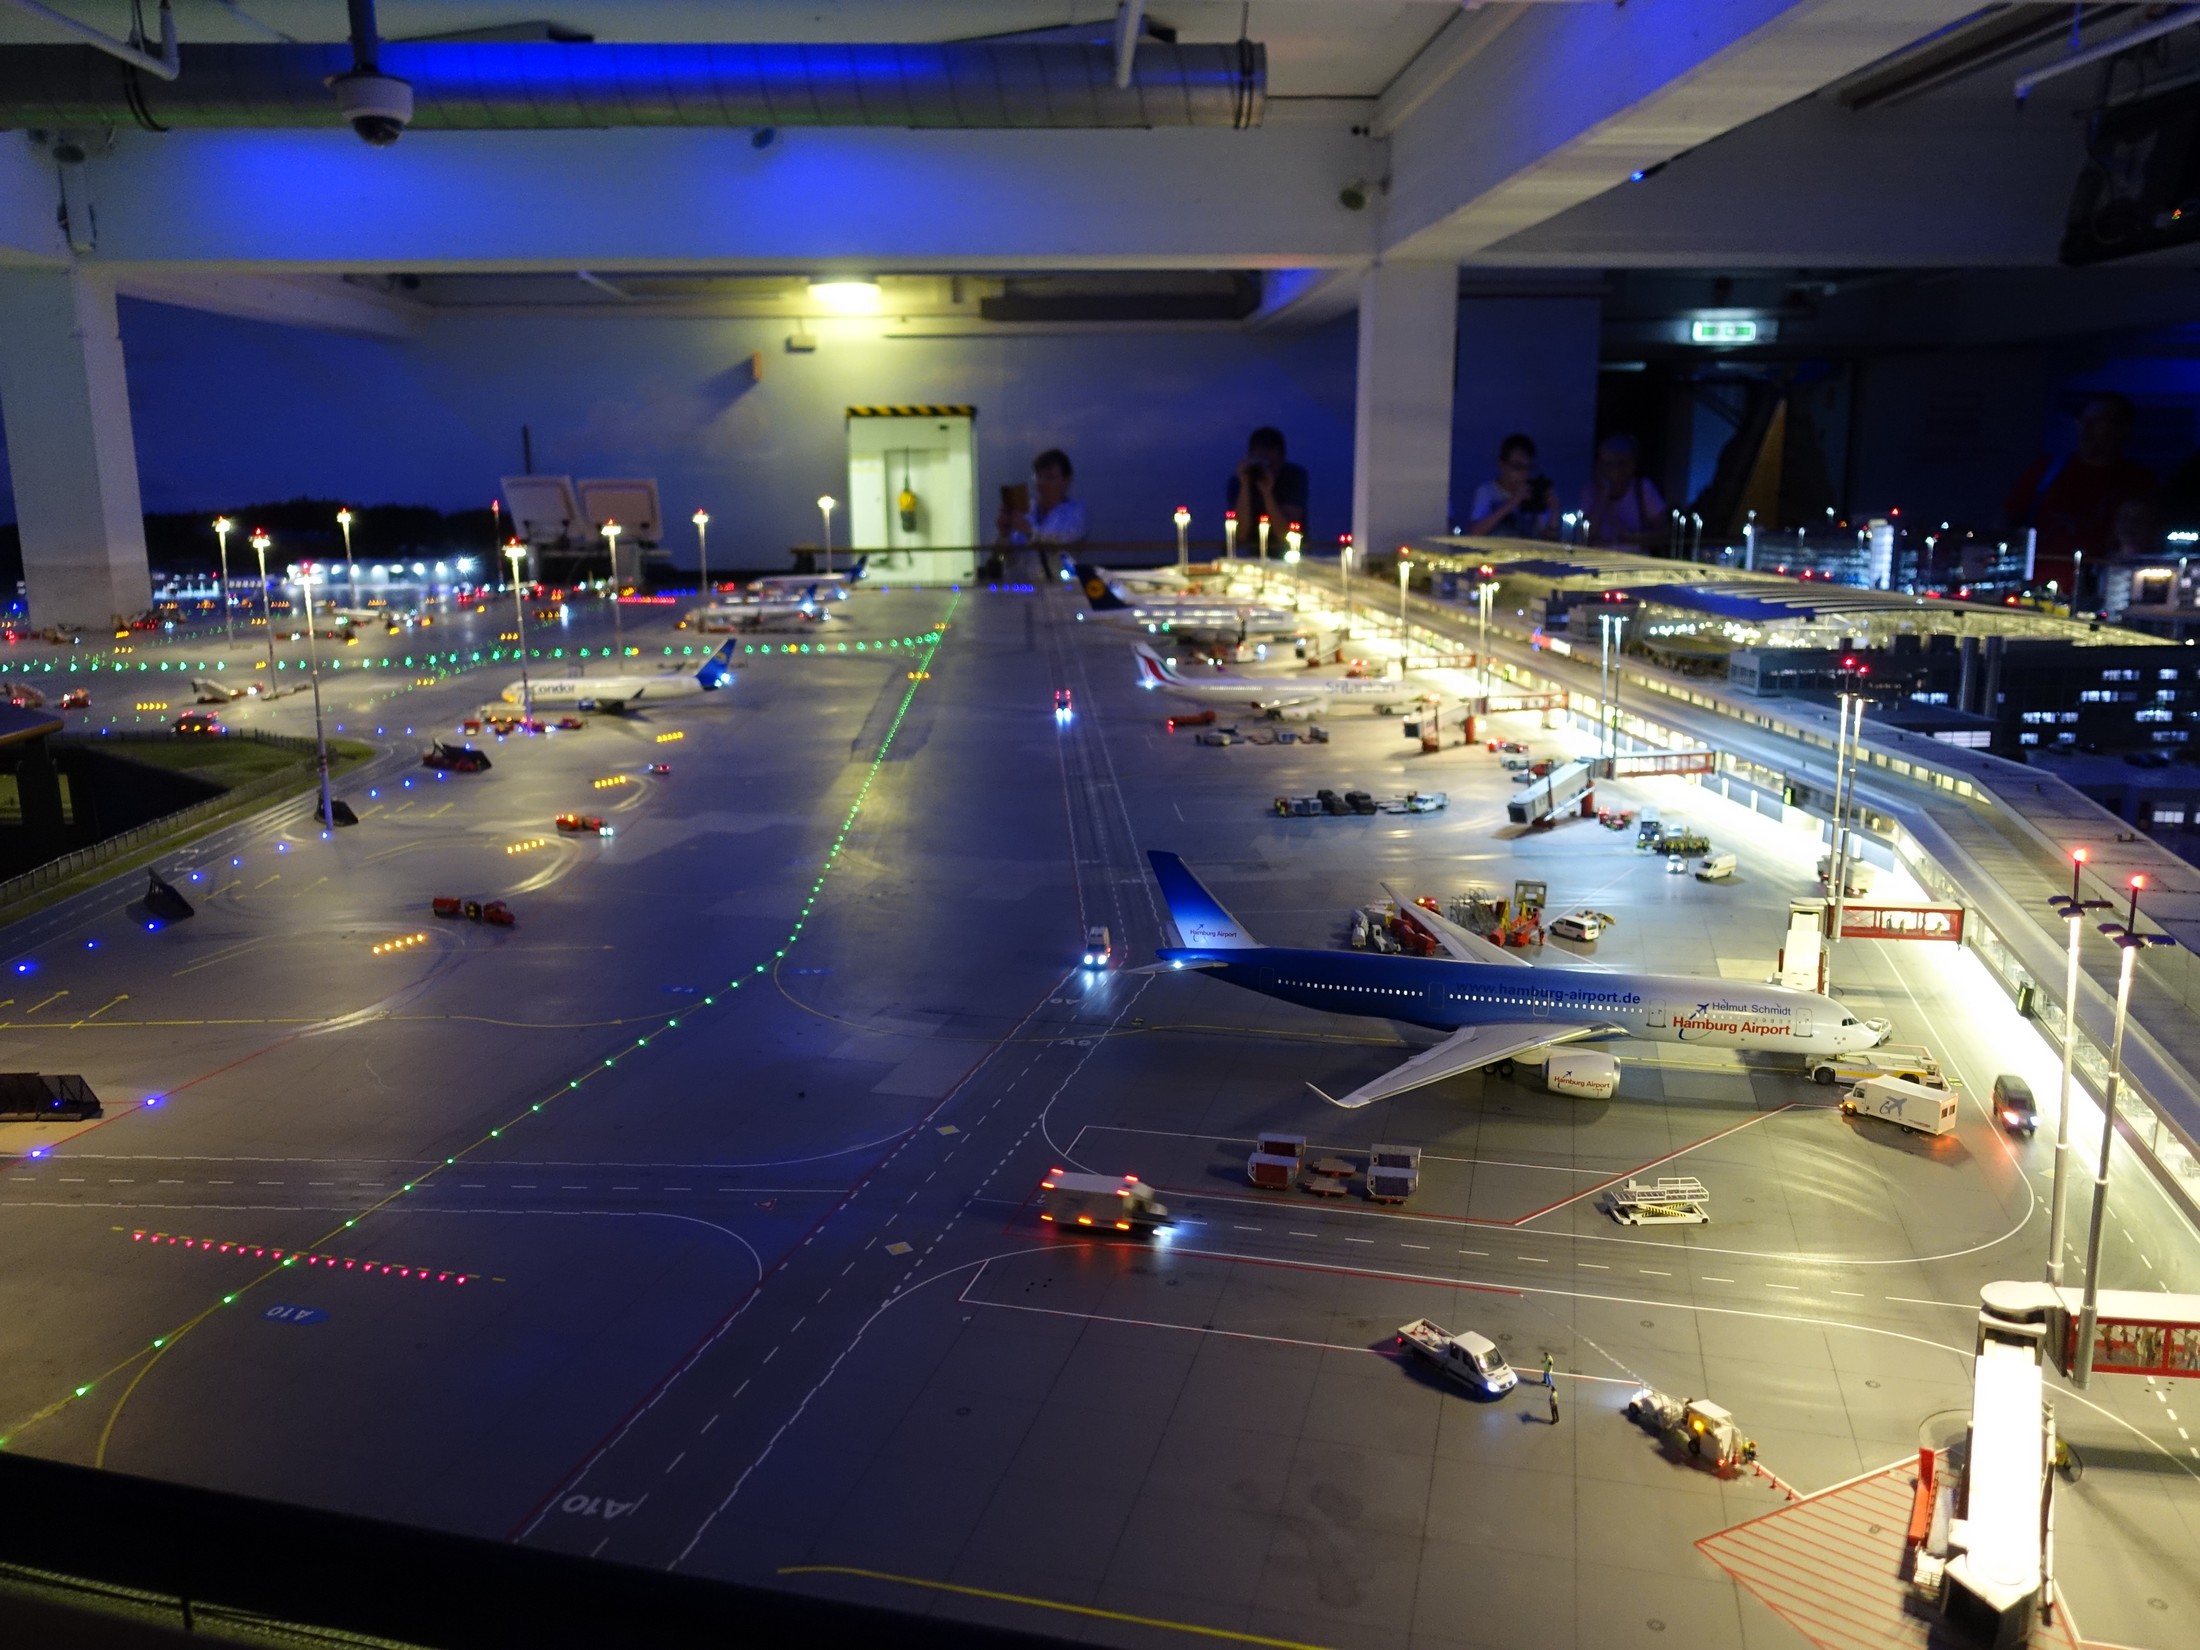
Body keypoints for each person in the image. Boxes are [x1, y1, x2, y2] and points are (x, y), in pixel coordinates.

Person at [2004, 391, 2155, 603]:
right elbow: (2007, 518)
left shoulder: (2138, 481)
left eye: (2100, 422)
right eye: (2084, 420)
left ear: (2122, 429)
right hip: (2036, 593)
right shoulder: (2047, 470)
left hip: (2106, 594)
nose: (2087, 428)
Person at [1225, 427, 1310, 549]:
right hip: (1253, 553)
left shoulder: (1293, 477)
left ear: (1282, 459)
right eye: (1261, 461)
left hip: (1291, 551)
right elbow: (1239, 534)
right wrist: (1245, 486)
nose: (1266, 468)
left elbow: (1285, 534)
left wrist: (1267, 493)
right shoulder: (1239, 481)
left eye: (1271, 462)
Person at [1580, 434, 1667, 548]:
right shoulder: (1590, 491)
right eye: (1601, 463)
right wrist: (1603, 494)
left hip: (1632, 557)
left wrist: (1633, 537)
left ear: (1628, 467)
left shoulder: (1642, 489)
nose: (1603, 470)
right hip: (1596, 557)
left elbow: (1665, 532)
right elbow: (1587, 533)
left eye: (1610, 465)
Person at [1467, 434, 1555, 538]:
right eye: (1518, 467)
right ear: (1502, 465)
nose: (1524, 473)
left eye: (1529, 468)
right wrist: (1513, 502)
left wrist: (1555, 511)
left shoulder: (1535, 494)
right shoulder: (1487, 492)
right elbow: (1474, 532)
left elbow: (1549, 539)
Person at [996, 449, 1089, 547]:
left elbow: (1059, 545)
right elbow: (1000, 556)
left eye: (1049, 477)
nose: (1041, 482)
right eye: (1038, 476)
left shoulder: (1077, 511)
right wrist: (1003, 533)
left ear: (1066, 480)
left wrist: (1028, 531)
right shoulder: (1024, 511)